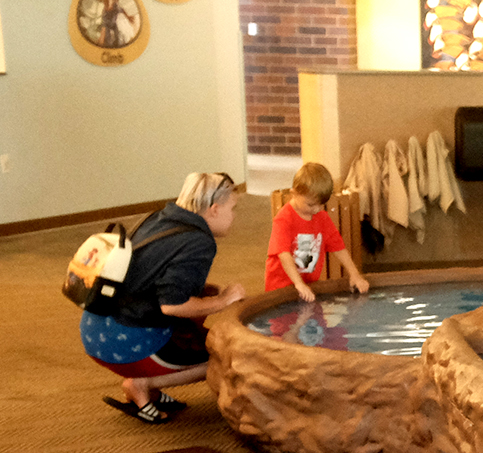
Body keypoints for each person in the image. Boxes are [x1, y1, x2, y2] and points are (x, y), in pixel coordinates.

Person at [81, 172, 247, 424]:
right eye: (232, 208)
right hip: (122, 342)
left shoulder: (161, 217)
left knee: (204, 300)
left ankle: (151, 387)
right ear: (214, 209)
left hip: (96, 324)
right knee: (225, 355)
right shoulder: (198, 242)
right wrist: (224, 300)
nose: (234, 216)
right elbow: (172, 305)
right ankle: (142, 384)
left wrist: (207, 298)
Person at [267, 162, 370, 301]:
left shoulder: (321, 218)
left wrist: (354, 274)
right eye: (310, 204)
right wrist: (299, 284)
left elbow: (338, 247)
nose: (316, 209)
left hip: (309, 287)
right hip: (281, 288)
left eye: (321, 204)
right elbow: (283, 255)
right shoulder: (284, 219)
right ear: (294, 193)